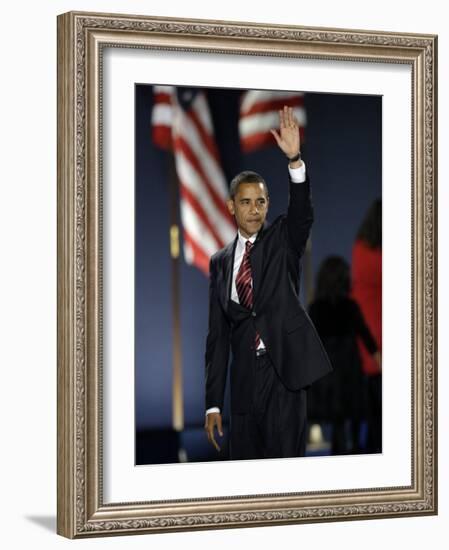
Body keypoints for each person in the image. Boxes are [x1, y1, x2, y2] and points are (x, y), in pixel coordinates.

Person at [204, 106, 332, 460]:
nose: (254, 209)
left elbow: (302, 213)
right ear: (232, 207)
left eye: (260, 201)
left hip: (283, 375)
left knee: (286, 473)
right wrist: (213, 404)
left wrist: (295, 160)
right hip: (244, 385)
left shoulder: (281, 241)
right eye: (245, 202)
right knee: (246, 477)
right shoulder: (219, 264)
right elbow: (217, 340)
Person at [307, 256, 381, 455]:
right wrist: (378, 359)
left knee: (337, 420)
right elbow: (365, 335)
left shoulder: (316, 308)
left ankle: (339, 452)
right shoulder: (350, 306)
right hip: (349, 368)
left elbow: (308, 341)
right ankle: (356, 448)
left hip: (327, 372)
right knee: (355, 413)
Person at [351, 199, 382, 453]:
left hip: (364, 335)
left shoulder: (360, 247)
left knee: (374, 416)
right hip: (380, 334)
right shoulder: (382, 254)